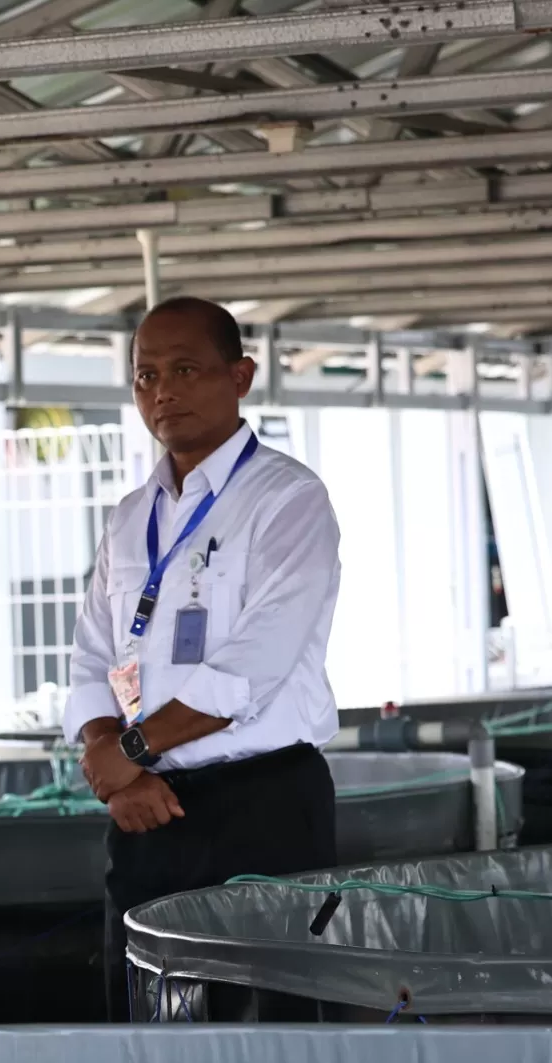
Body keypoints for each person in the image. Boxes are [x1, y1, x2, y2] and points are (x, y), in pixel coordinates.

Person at [65, 296, 342, 1019]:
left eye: (186, 369)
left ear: (241, 376)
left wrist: (130, 746)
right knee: (147, 1020)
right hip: (146, 810)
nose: (163, 392)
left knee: (276, 1026)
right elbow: (93, 658)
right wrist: (115, 768)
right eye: (145, 375)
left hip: (265, 803)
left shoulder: (287, 501)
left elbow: (252, 668)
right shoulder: (131, 519)